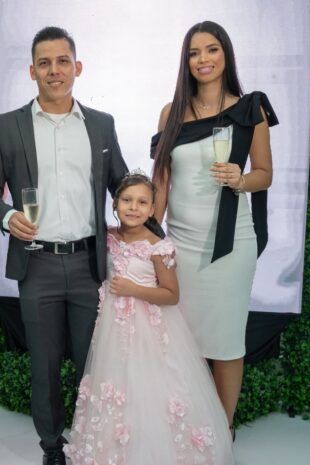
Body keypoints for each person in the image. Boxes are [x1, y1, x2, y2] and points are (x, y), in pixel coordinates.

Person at [0, 26, 129, 465]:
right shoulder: (9, 126)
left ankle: (90, 442)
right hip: (37, 264)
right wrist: (8, 217)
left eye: (63, 61)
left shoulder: (101, 124)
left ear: (77, 67)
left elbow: (121, 185)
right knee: (43, 365)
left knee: (92, 363)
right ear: (32, 71)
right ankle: (51, 448)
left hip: (88, 264)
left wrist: (147, 224)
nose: (54, 70)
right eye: (44, 63)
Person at [152, 20, 279, 437]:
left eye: (211, 49)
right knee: (181, 342)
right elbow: (161, 182)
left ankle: (222, 431)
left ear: (226, 54)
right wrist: (149, 237)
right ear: (185, 62)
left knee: (225, 341)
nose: (202, 59)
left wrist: (239, 180)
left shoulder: (250, 109)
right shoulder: (171, 113)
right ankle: (187, 425)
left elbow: (265, 174)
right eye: (194, 53)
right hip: (180, 246)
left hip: (231, 245)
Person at [63, 172, 234, 465]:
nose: (134, 207)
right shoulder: (108, 238)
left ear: (153, 208)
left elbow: (171, 294)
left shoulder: (158, 246)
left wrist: (134, 289)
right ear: (115, 203)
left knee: (149, 387)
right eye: (127, 200)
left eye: (142, 202)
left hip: (147, 329)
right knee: (116, 385)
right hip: (112, 328)